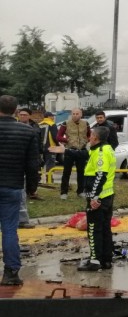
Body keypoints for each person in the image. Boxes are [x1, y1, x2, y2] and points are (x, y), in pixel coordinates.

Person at [0, 95, 41, 286]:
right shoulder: (27, 132)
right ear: (16, 111)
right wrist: (32, 187)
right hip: (13, 186)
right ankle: (11, 273)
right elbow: (33, 165)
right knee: (9, 230)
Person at [78, 126, 116, 271]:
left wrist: (95, 197)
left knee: (94, 229)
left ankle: (95, 261)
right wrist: (66, 151)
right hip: (107, 195)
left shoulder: (101, 152)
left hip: (99, 197)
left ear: (95, 137)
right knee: (105, 228)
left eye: (91, 135)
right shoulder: (106, 148)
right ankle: (106, 260)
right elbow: (86, 154)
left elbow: (101, 175)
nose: (89, 137)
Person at [56, 108, 90, 199]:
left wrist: (86, 140)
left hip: (82, 150)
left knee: (81, 172)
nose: (75, 115)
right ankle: (64, 192)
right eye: (73, 114)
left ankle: (80, 191)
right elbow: (58, 136)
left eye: (77, 113)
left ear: (81, 114)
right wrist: (67, 140)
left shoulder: (85, 123)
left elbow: (89, 135)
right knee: (66, 172)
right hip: (70, 150)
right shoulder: (66, 123)